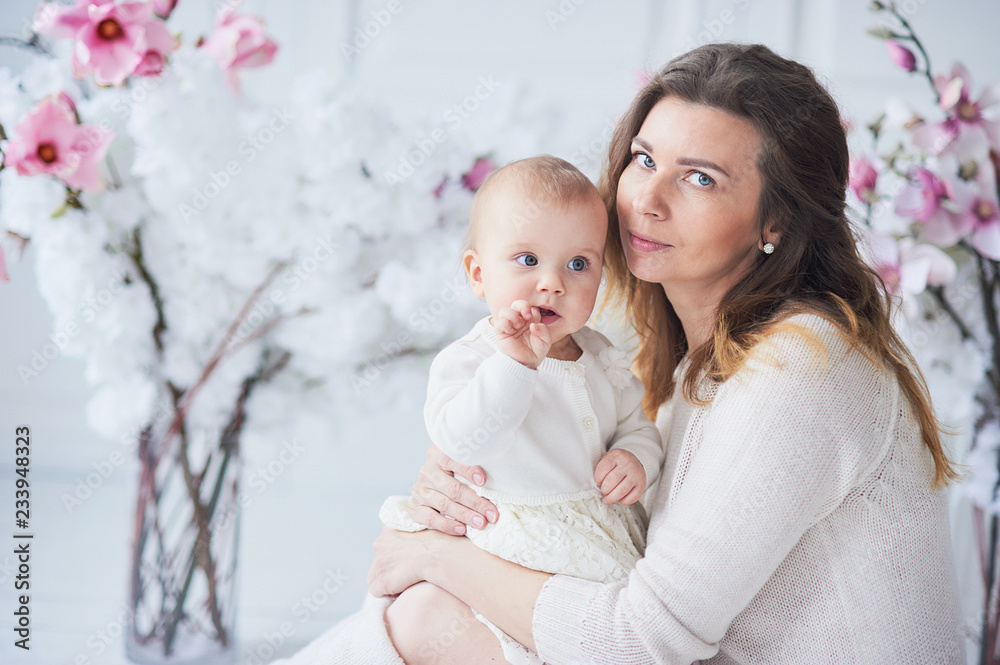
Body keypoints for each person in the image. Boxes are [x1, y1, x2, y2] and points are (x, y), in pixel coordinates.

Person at [277, 43, 965, 665]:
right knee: (435, 615)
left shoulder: (803, 367)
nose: (646, 201)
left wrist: (436, 556)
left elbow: (642, 638)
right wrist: (468, 479)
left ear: (775, 222)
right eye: (643, 160)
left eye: (700, 179)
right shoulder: (680, 359)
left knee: (432, 615)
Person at [377, 154, 663, 665]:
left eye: (579, 264)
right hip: (504, 545)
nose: (552, 282)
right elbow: (463, 444)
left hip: (590, 540)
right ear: (478, 273)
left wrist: (635, 457)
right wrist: (514, 365)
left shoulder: (603, 356)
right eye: (527, 260)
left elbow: (635, 425)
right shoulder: (470, 359)